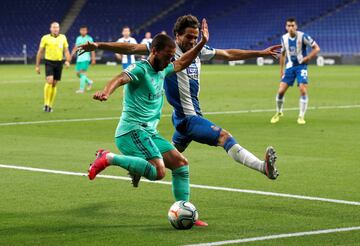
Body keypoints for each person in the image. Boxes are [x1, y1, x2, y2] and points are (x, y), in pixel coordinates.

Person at [78, 15, 280, 226]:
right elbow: (126, 59)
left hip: (168, 124)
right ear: (176, 37)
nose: (193, 41)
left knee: (179, 164)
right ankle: (262, 166)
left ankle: (181, 207)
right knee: (220, 138)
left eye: (196, 37)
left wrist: (261, 52)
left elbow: (225, 54)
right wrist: (99, 51)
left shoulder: (187, 55)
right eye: (189, 37)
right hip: (183, 119)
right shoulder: (158, 52)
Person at [88, 20, 209, 225]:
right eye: (167, 55)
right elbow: (120, 77)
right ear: (154, 51)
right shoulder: (140, 69)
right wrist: (106, 92)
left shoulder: (163, 69)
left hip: (148, 133)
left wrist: (201, 43)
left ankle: (184, 209)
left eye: (172, 56)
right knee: (158, 171)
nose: (170, 60)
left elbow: (181, 63)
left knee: (181, 164)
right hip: (131, 131)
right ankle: (107, 157)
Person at [270, 17, 320, 125]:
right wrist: (281, 70)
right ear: (286, 27)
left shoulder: (303, 36)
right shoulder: (284, 38)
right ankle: (279, 112)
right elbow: (282, 54)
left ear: (296, 26)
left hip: (301, 66)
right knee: (280, 91)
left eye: (293, 25)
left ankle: (301, 116)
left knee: (302, 89)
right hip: (289, 67)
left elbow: (316, 48)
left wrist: (308, 58)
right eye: (289, 25)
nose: (291, 28)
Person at [36, 22, 71, 112]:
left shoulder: (63, 37)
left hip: (59, 63)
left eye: (57, 27)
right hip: (49, 62)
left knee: (55, 84)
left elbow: (66, 51)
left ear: (59, 29)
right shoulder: (45, 38)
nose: (56, 29)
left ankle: (50, 105)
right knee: (49, 81)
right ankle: (46, 103)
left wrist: (67, 61)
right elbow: (40, 52)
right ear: (50, 29)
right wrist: (37, 66)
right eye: (54, 27)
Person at [71, 26, 96, 93]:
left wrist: (93, 59)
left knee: (82, 73)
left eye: (84, 30)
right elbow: (76, 47)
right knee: (77, 73)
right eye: (82, 30)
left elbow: (92, 49)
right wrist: (72, 54)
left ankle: (81, 89)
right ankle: (89, 82)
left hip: (85, 58)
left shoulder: (89, 38)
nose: (83, 31)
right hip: (79, 59)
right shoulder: (78, 38)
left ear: (86, 31)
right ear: (80, 31)